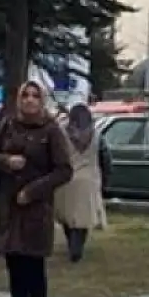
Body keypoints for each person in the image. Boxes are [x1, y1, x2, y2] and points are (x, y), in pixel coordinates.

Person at [0, 82, 74, 297]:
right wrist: (5, 161)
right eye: (25, 95)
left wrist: (33, 191)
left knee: (33, 266)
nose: (29, 101)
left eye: (35, 96)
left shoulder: (51, 130)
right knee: (15, 265)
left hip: (35, 208)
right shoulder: (8, 125)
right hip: (7, 205)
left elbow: (64, 170)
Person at [54, 102, 105, 262]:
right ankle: (77, 248)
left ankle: (72, 244)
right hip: (89, 179)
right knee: (83, 218)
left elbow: (55, 152)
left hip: (66, 178)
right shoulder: (96, 135)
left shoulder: (62, 131)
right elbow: (105, 158)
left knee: (67, 216)